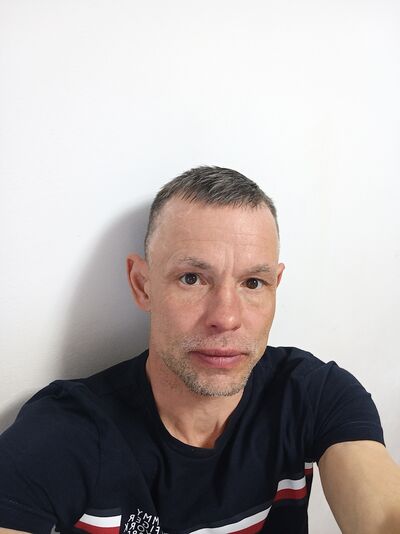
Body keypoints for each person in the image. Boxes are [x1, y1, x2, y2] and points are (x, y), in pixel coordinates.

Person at [0, 166, 399, 534]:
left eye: (253, 283)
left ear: (276, 285)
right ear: (142, 285)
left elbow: (384, 516)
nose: (226, 318)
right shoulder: (69, 432)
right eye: (192, 278)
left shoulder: (313, 395)